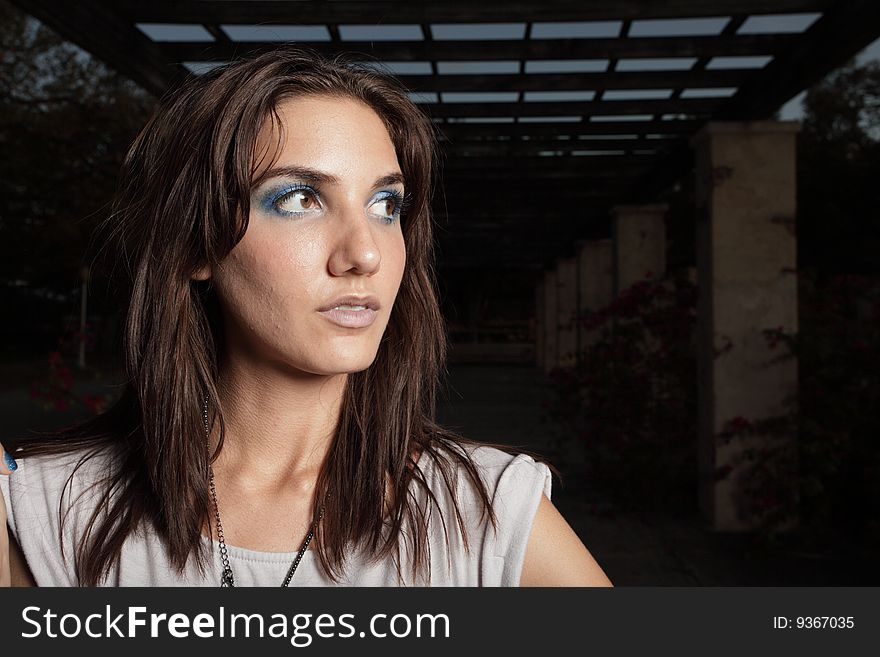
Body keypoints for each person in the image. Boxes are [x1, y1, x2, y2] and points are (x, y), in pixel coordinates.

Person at [0, 46, 612, 588]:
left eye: (385, 203)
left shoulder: (490, 510)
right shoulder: (39, 510)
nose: (365, 253)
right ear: (195, 245)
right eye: (299, 199)